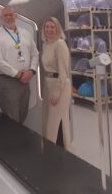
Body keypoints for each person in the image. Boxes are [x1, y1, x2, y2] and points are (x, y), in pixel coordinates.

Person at [0, 6, 39, 124]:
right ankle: (12, 141)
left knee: (22, 114)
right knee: (12, 118)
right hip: (7, 80)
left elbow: (35, 54)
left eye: (11, 14)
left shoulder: (26, 34)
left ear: (16, 16)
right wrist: (17, 74)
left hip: (25, 80)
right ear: (1, 18)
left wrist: (31, 71)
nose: (9, 17)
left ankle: (17, 140)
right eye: (6, 15)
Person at [41, 16, 72, 151]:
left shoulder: (60, 44)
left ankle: (58, 149)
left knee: (56, 120)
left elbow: (63, 72)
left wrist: (57, 92)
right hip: (49, 85)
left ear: (57, 28)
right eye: (47, 27)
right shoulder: (46, 44)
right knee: (54, 120)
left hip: (60, 86)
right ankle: (57, 148)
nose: (49, 29)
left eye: (52, 27)